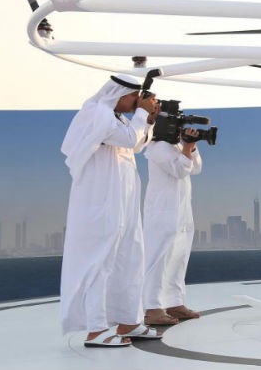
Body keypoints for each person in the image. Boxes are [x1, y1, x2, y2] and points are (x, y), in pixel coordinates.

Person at [60, 74, 162, 347]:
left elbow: (138, 143)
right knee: (101, 259)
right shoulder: (96, 113)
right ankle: (96, 329)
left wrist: (148, 120)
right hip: (101, 199)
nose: (137, 102)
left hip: (123, 196)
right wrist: (142, 113)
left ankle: (128, 320)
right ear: (117, 94)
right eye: (134, 97)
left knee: (130, 256)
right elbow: (129, 140)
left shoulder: (116, 118)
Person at [142, 128, 203, 325]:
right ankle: (152, 308)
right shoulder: (157, 147)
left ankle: (174, 303)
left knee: (179, 256)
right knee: (159, 258)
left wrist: (190, 147)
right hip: (163, 211)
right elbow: (180, 169)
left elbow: (196, 167)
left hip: (182, 210)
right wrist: (186, 148)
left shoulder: (177, 145)